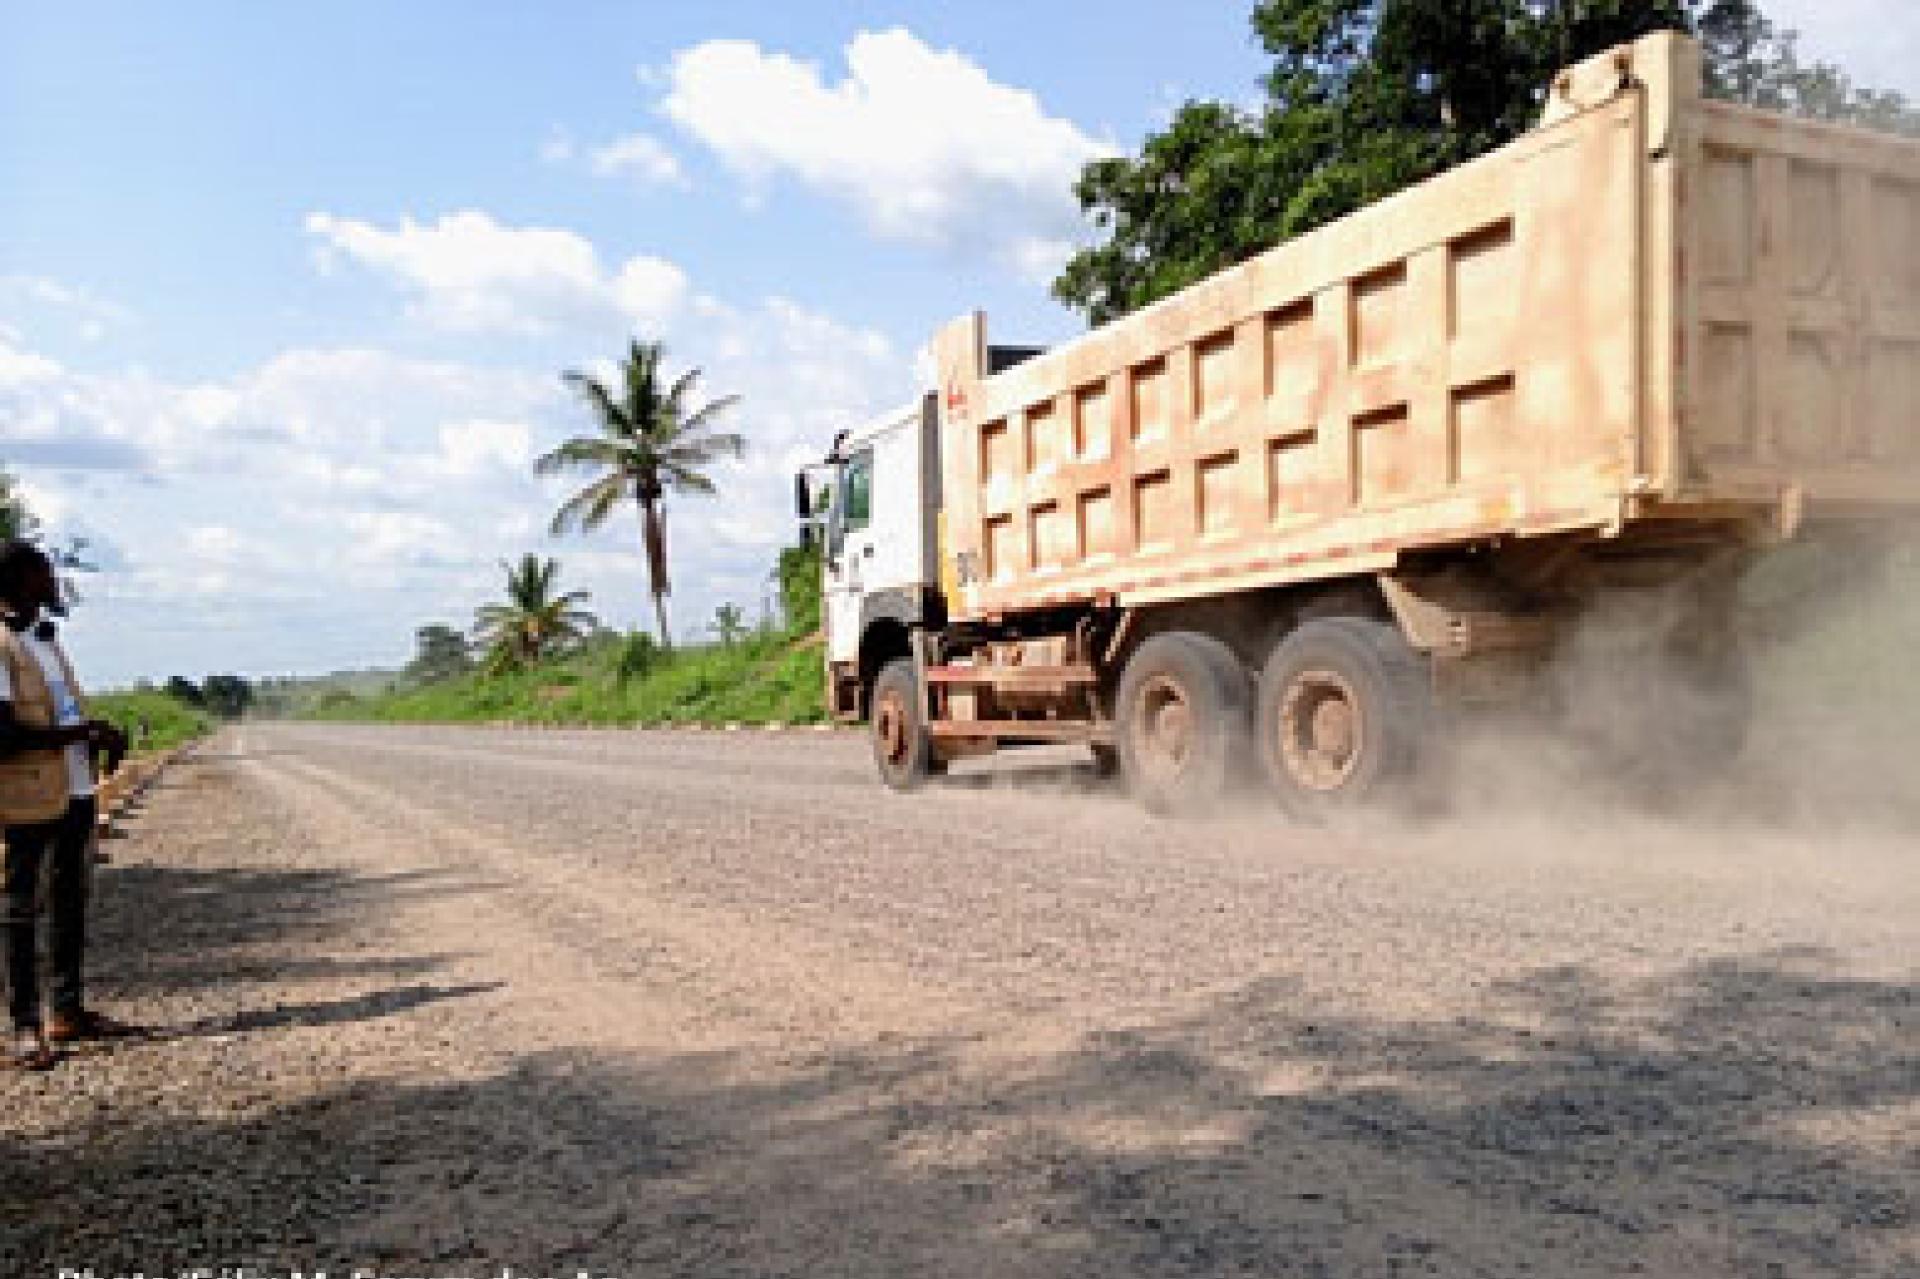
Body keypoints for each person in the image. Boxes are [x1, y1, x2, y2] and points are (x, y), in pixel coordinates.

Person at [0, 540, 129, 1069]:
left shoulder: (46, 643)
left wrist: (97, 737)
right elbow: (3, 736)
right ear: (20, 582)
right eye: (45, 575)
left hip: (73, 790)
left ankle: (68, 1011)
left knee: (71, 899)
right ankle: (25, 1028)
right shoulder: (2, 646)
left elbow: (61, 712)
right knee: (21, 906)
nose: (53, 583)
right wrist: (83, 730)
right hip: (28, 795)